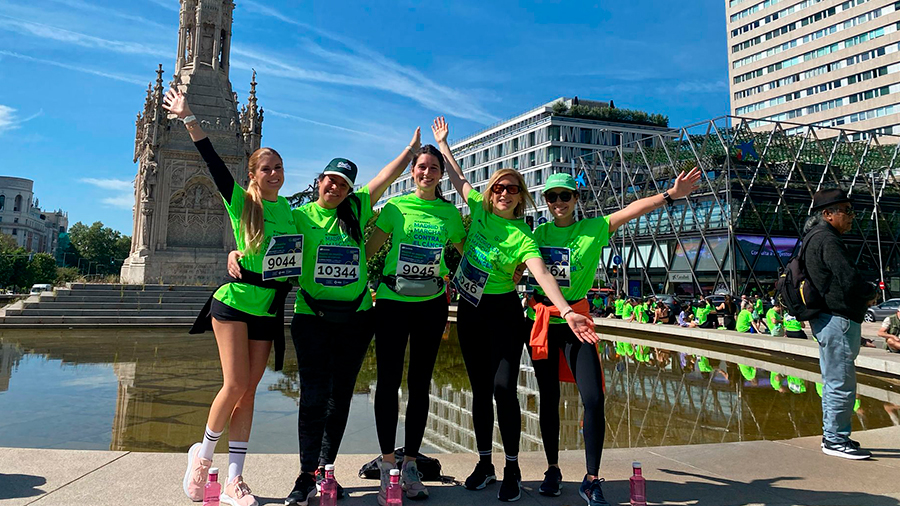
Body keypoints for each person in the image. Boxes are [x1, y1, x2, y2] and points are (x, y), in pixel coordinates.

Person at [434, 117, 597, 503]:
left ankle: (511, 466)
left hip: (505, 313)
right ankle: (485, 463)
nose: (504, 193)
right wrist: (444, 145)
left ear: (520, 196)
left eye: (511, 189)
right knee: (478, 390)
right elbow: (458, 179)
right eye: (498, 188)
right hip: (471, 309)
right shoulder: (478, 209)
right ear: (491, 194)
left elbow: (541, 274)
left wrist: (566, 310)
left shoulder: (524, 235)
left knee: (504, 388)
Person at [263, 129, 423, 505]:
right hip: (312, 317)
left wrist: (408, 152)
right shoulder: (297, 214)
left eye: (343, 184)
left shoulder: (356, 209)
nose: (335, 187)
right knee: (313, 397)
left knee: (341, 397)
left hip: (356, 318)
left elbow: (384, 178)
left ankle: (326, 469)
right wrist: (236, 254)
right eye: (330, 180)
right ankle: (305, 473)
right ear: (319, 181)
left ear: (350, 191)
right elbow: (262, 232)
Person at [523, 169, 700, 506]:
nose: (558, 202)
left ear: (576, 199)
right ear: (546, 201)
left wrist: (669, 195)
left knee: (593, 398)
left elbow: (633, 209)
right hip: (543, 321)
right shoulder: (536, 233)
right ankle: (552, 469)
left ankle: (591, 479)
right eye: (552, 197)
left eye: (565, 195)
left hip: (579, 322)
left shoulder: (594, 228)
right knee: (547, 397)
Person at [165, 89, 295, 506]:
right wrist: (188, 117)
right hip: (235, 301)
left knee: (250, 393)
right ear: (253, 174)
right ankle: (202, 457)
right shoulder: (242, 202)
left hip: (268, 307)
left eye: (279, 168)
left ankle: (236, 479)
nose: (274, 173)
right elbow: (214, 164)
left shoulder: (292, 211)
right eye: (267, 168)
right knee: (235, 382)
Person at [364, 143, 467, 503]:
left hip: (431, 305)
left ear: (440, 175)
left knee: (420, 384)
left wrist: (509, 269)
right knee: (388, 382)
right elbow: (369, 249)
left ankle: (410, 464)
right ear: (412, 171)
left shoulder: (450, 214)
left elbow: (467, 253)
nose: (426, 173)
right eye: (421, 167)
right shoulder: (395, 207)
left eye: (433, 168)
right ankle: (388, 466)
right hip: (392, 302)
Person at [804, 188, 878, 459]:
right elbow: (848, 278)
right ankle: (835, 439)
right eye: (846, 211)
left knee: (836, 379)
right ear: (827, 214)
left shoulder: (814, 237)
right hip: (837, 318)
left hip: (828, 319)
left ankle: (833, 434)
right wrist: (870, 291)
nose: (851, 217)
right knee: (840, 381)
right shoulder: (827, 239)